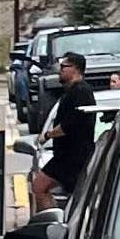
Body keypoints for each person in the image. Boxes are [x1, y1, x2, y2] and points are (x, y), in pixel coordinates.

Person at [43, 49, 101, 205]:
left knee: (40, 186)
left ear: (74, 69)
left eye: (63, 67)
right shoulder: (71, 91)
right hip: (65, 157)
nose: (59, 71)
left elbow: (70, 125)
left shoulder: (81, 92)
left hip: (73, 158)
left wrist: (48, 135)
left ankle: (52, 224)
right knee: (69, 197)